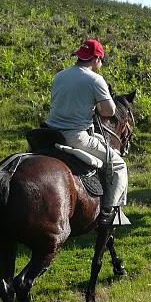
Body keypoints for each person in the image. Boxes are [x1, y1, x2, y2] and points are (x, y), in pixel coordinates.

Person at [45, 38, 128, 225]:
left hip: (48, 132)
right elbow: (109, 112)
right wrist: (96, 106)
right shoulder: (95, 80)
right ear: (96, 59)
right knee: (119, 165)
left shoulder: (60, 75)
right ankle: (109, 214)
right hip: (75, 137)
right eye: (101, 60)